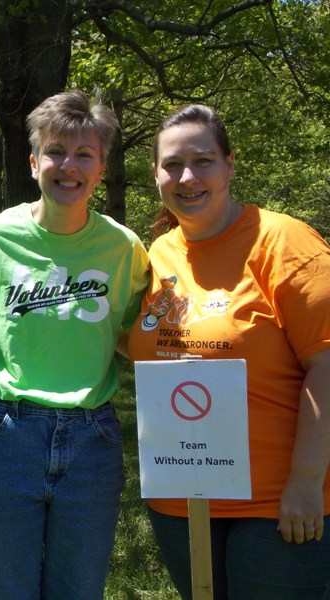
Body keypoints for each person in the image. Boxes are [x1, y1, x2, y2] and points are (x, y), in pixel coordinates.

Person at [0, 89, 150, 599]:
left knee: (78, 590)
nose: (69, 166)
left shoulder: (124, 248)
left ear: (101, 168)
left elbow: (132, 334)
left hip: (93, 439)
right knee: (7, 589)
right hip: (6, 434)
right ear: (34, 161)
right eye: (56, 151)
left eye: (85, 154)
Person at [127, 104, 330, 599]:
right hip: (180, 495)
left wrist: (306, 481)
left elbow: (326, 364)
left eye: (203, 161)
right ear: (155, 174)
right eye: (173, 164)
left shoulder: (284, 243)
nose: (187, 177)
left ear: (230, 164)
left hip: (275, 501)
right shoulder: (156, 254)